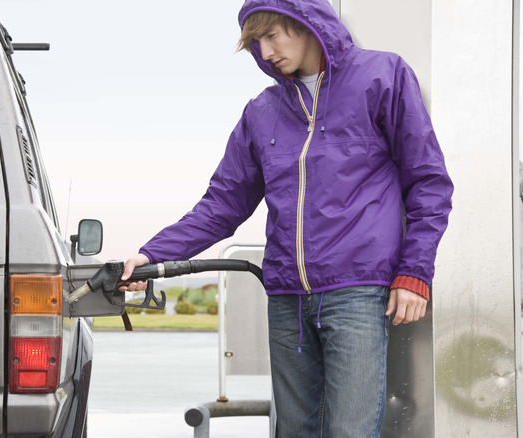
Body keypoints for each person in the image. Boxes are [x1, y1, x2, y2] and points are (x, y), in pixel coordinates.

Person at [120, 0, 453, 436]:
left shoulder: (382, 76)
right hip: (286, 299)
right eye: (255, 42)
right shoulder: (262, 112)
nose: (265, 50)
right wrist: (151, 255)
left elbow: (428, 181)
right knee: (294, 430)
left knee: (351, 431)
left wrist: (414, 272)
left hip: (357, 292)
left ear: (307, 24)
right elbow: (221, 205)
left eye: (272, 35)